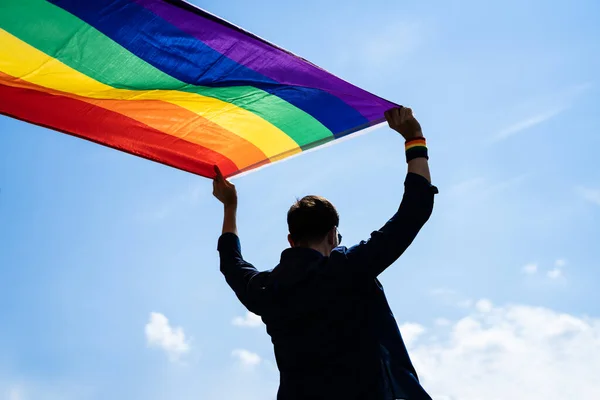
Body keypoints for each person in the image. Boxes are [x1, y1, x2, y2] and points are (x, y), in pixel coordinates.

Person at [213, 107, 437, 400]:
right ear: (333, 234)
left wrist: (229, 206)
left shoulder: (266, 290)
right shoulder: (347, 269)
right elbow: (414, 211)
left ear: (291, 240)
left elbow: (231, 263)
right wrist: (414, 139)